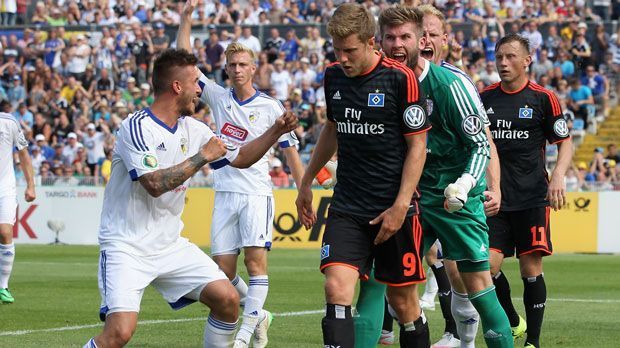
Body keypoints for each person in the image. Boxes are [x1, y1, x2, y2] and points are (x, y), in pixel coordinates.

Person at [83, 48, 298, 348]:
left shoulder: (194, 128)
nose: (201, 89)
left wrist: (275, 130)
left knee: (227, 299)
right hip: (126, 246)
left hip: (170, 246)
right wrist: (201, 157)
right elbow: (154, 183)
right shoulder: (135, 127)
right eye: (196, 82)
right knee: (118, 333)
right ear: (177, 87)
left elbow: (241, 158)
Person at [376, 6, 513, 348]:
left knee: (476, 283)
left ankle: (465, 339)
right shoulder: (381, 84)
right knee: (393, 288)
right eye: (390, 38)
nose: (397, 45)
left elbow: (481, 143)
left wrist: (469, 184)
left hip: (454, 196)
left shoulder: (451, 85)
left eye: (405, 37)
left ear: (421, 41)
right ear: (378, 41)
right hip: (410, 197)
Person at [296, 4, 431, 347]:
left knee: (404, 304)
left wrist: (401, 206)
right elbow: (332, 128)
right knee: (336, 286)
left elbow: (418, 147)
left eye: (350, 50)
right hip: (348, 206)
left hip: (393, 209)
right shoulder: (333, 76)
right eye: (337, 50)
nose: (343, 58)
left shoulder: (401, 79)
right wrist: (307, 180)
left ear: (371, 43)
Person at [177, 2, 304, 347]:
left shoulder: (270, 106)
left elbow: (290, 151)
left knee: (255, 262)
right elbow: (185, 64)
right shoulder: (218, 97)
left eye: (243, 64)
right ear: (227, 68)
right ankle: (258, 312)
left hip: (255, 193)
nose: (236, 69)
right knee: (223, 273)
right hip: (225, 191)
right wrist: (186, 19)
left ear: (253, 68)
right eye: (232, 64)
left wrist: (302, 190)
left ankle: (245, 334)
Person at [481, 34, 573, 348]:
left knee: (530, 267)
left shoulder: (543, 98)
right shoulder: (484, 98)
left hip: (533, 197)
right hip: (494, 198)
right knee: (487, 268)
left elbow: (565, 143)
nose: (503, 64)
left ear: (527, 60)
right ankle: (512, 319)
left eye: (509, 57)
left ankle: (532, 340)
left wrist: (558, 175)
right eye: (498, 58)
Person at [0, 112, 36, 304]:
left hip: (5, 188)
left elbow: (23, 153)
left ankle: (3, 286)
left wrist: (31, 185)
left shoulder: (9, 121)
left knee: (5, 232)